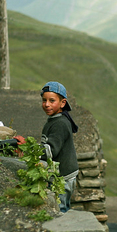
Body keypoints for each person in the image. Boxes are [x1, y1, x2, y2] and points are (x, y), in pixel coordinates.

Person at [40, 81, 79, 213]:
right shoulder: (55, 119)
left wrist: (29, 150)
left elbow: (51, 150)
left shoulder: (60, 123)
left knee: (61, 210)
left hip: (64, 177)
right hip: (63, 175)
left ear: (63, 103)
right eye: (44, 100)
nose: (46, 104)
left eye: (52, 100)